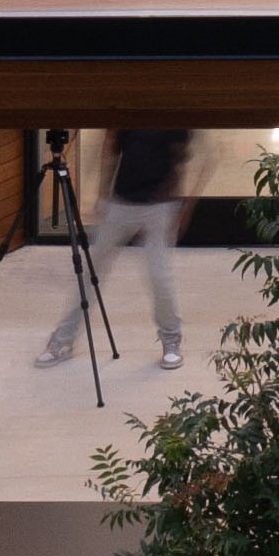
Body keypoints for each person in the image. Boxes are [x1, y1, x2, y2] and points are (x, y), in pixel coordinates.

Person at [40, 123, 193, 373]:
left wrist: (180, 204)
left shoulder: (171, 111)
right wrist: (102, 194)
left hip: (159, 206)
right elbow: (110, 146)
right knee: (91, 271)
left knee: (159, 276)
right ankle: (63, 338)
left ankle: (171, 339)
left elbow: (180, 160)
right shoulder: (127, 108)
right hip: (121, 202)